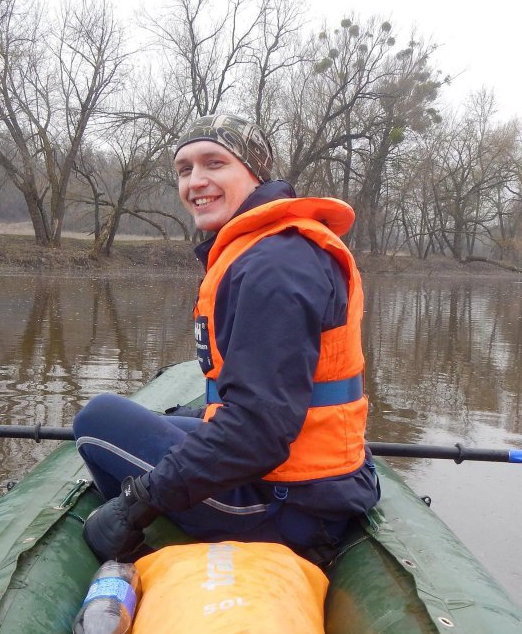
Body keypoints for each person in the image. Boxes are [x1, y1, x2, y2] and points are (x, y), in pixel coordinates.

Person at [73, 113, 379, 566]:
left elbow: (257, 433)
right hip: (299, 478)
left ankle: (139, 554)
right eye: (184, 169)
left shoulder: (275, 265)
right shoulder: (271, 249)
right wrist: (195, 416)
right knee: (139, 420)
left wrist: (135, 501)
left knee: (98, 422)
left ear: (255, 172)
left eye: (214, 163)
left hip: (288, 504)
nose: (196, 181)